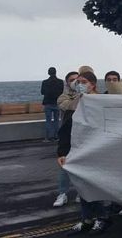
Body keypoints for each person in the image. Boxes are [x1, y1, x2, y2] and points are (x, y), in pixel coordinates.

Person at [58, 71, 111, 235]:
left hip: (98, 150)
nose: (79, 84)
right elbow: (66, 129)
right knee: (82, 186)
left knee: (94, 186)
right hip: (79, 150)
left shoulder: (103, 102)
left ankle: (102, 218)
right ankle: (87, 218)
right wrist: (61, 151)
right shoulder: (77, 103)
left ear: (92, 84)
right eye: (77, 82)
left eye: (83, 81)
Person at [53, 71, 79, 207]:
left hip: (84, 135)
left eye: (77, 79)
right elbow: (68, 106)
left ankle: (82, 193)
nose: (75, 82)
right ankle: (62, 193)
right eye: (72, 80)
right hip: (68, 134)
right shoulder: (63, 97)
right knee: (65, 165)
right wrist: (81, 96)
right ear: (67, 83)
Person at [41, 67, 63, 142]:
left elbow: (42, 92)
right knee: (57, 121)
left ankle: (49, 137)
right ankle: (56, 137)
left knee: (48, 121)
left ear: (48, 73)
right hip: (57, 103)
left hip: (48, 103)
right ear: (55, 72)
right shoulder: (60, 82)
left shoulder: (45, 82)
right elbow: (61, 92)